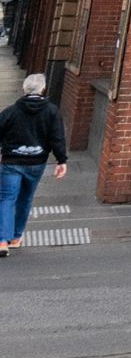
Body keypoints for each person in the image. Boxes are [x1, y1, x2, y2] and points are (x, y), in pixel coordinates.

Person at [0, 73, 69, 253]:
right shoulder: (52, 111)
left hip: (11, 161)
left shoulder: (10, 111)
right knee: (25, 198)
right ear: (43, 89)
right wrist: (61, 160)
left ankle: (2, 241)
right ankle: (16, 237)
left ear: (24, 89)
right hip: (36, 163)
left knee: (6, 199)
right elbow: (57, 138)